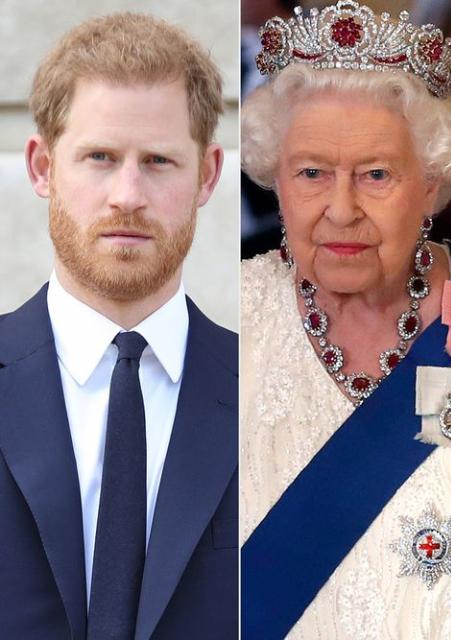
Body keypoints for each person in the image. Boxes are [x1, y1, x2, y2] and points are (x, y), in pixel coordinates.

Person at [238, 2, 451, 638]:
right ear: (277, 181)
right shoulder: (217, 322)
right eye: (312, 173)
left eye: (375, 174)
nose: (340, 211)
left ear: (430, 184)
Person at [0, 13, 236, 639]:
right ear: (43, 167)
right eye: (100, 157)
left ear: (208, 174)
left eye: (158, 161)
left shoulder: (269, 384)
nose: (127, 194)